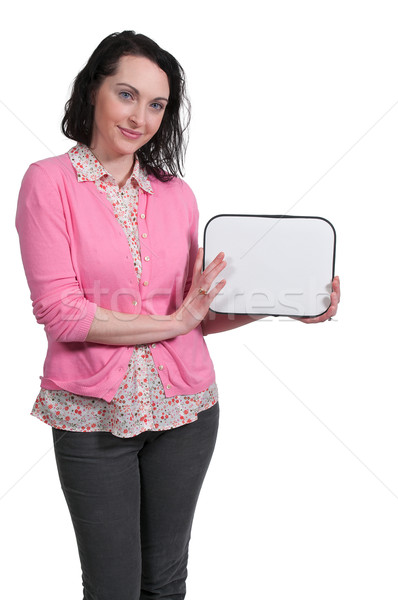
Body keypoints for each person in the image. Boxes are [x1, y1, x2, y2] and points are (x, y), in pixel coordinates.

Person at [15, 30, 340, 600]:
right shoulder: (48, 182)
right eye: (126, 94)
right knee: (112, 587)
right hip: (94, 418)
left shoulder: (176, 195)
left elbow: (195, 313)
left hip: (187, 414)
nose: (140, 116)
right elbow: (62, 314)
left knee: (164, 583)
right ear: (94, 90)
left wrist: (284, 303)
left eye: (157, 104)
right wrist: (178, 321)